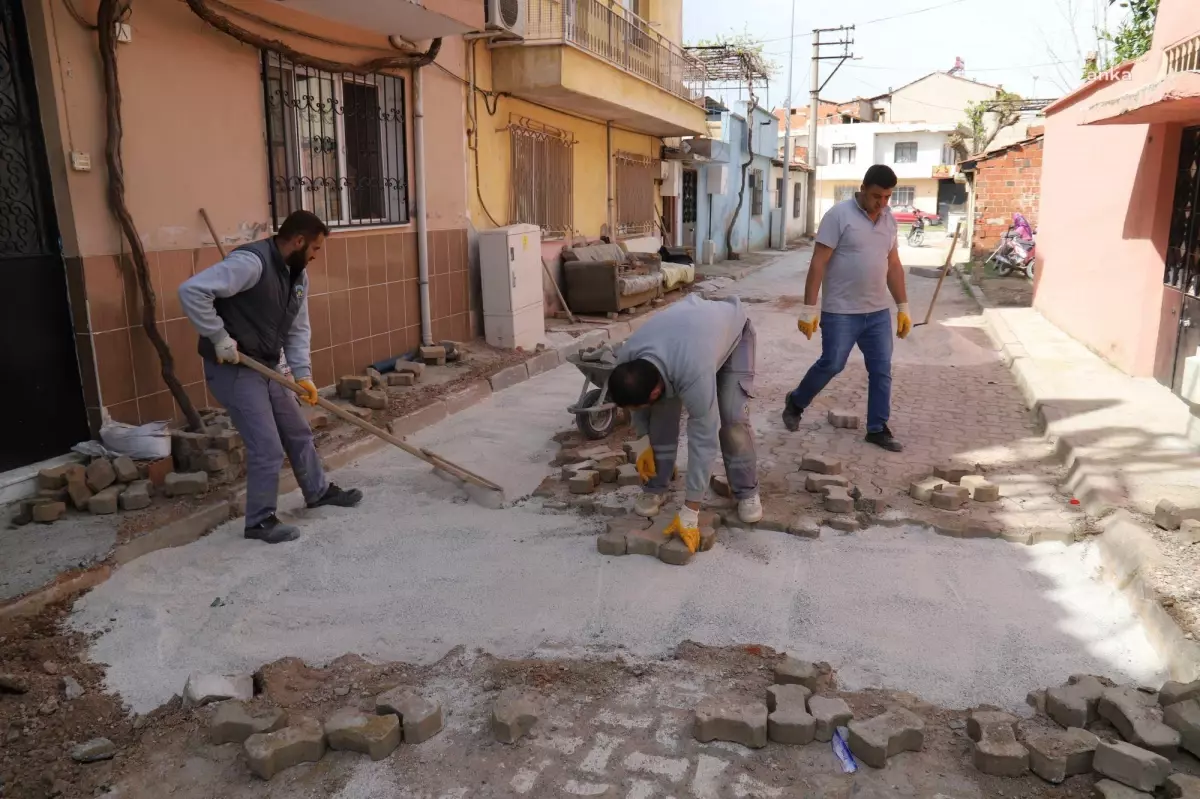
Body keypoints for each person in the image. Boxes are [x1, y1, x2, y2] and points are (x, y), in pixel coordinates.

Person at [179, 210, 363, 544]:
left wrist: (303, 375)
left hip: (267, 367)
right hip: (234, 370)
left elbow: (297, 329)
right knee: (267, 447)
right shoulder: (252, 264)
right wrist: (219, 337)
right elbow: (192, 291)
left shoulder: (297, 276)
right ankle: (259, 522)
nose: (316, 256)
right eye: (315, 249)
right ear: (299, 240)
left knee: (298, 431)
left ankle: (318, 492)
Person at [609, 295, 761, 553]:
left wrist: (691, 509)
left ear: (655, 391)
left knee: (733, 421)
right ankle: (656, 485)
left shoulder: (693, 372)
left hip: (733, 334)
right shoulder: (628, 358)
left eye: (643, 404)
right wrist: (644, 438)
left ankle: (747, 492)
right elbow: (634, 403)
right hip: (688, 337)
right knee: (660, 417)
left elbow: (703, 438)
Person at [782, 165, 912, 452]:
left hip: (877, 312)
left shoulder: (889, 220)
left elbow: (893, 264)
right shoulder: (838, 216)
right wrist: (808, 308)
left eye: (887, 197)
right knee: (832, 363)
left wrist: (902, 306)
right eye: (877, 196)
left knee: (881, 370)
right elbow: (818, 262)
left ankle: (877, 428)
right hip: (841, 311)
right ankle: (796, 401)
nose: (882, 203)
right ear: (863, 188)